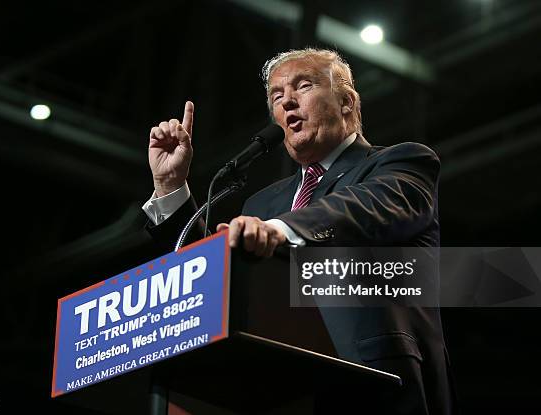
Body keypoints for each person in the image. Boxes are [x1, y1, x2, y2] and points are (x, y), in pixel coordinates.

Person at [142, 48, 455, 414]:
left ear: (346, 103)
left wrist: (279, 231)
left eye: (303, 86)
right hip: (279, 393)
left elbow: (359, 209)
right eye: (276, 96)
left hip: (374, 387)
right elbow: (209, 281)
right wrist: (171, 186)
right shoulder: (261, 205)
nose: (287, 101)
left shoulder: (399, 163)